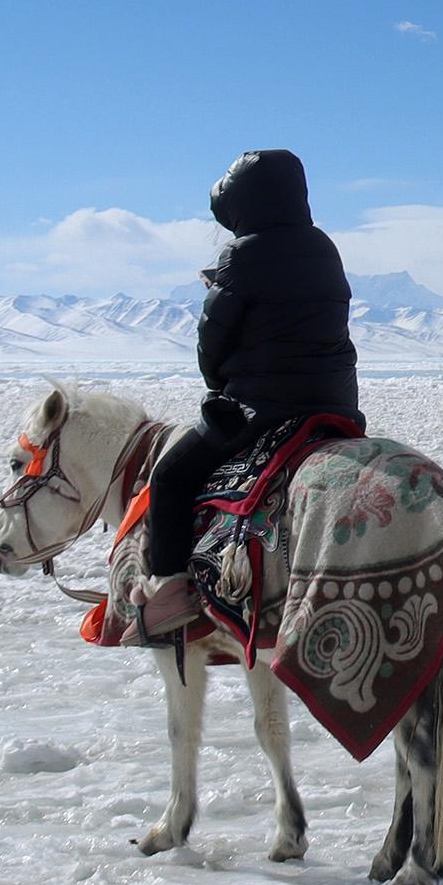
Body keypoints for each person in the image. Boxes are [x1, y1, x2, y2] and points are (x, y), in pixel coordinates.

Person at [144, 149, 361, 580]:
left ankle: (167, 590)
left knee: (169, 478)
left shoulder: (241, 255)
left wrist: (219, 389)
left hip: (262, 412)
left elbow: (213, 341)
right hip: (338, 407)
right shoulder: (325, 248)